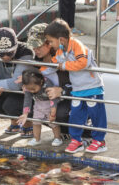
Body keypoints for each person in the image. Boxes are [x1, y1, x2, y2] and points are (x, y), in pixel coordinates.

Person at [44, 19, 107, 154]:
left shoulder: (77, 45)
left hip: (92, 87)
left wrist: (65, 66)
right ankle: (76, 140)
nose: (50, 44)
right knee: (76, 115)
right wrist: (41, 68)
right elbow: (56, 62)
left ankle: (99, 141)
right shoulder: (61, 50)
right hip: (78, 89)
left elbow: (83, 63)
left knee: (96, 114)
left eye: (51, 41)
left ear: (61, 39)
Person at [25, 23, 77, 141]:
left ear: (50, 42)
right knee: (23, 107)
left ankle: (74, 131)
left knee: (61, 114)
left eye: (38, 45)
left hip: (68, 99)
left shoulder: (67, 56)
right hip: (46, 101)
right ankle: (59, 130)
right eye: (33, 46)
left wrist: (63, 91)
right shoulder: (34, 60)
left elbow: (83, 83)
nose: (35, 49)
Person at [17, 69, 62, 147]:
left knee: (53, 123)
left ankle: (57, 138)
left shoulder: (48, 84)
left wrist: (53, 113)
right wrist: (25, 114)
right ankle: (37, 139)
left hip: (49, 105)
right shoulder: (29, 86)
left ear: (41, 82)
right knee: (36, 122)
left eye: (33, 89)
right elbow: (27, 99)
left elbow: (53, 99)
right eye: (29, 89)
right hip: (38, 104)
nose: (31, 91)